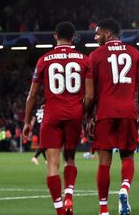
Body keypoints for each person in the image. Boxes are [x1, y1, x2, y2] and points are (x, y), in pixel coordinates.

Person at [23, 22, 91, 215]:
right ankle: (69, 195)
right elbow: (90, 96)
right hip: (74, 115)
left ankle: (60, 210)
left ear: (55, 36)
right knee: (70, 158)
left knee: (52, 163)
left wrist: (27, 122)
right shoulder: (84, 60)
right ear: (73, 37)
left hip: (52, 115)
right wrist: (85, 115)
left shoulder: (44, 60)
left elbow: (32, 95)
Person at [85, 18, 139, 215]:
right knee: (127, 156)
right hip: (128, 112)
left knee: (104, 162)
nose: (95, 37)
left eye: (98, 33)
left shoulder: (95, 56)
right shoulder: (134, 53)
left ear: (108, 33)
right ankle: (124, 188)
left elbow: (90, 94)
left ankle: (103, 209)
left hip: (104, 113)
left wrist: (89, 117)